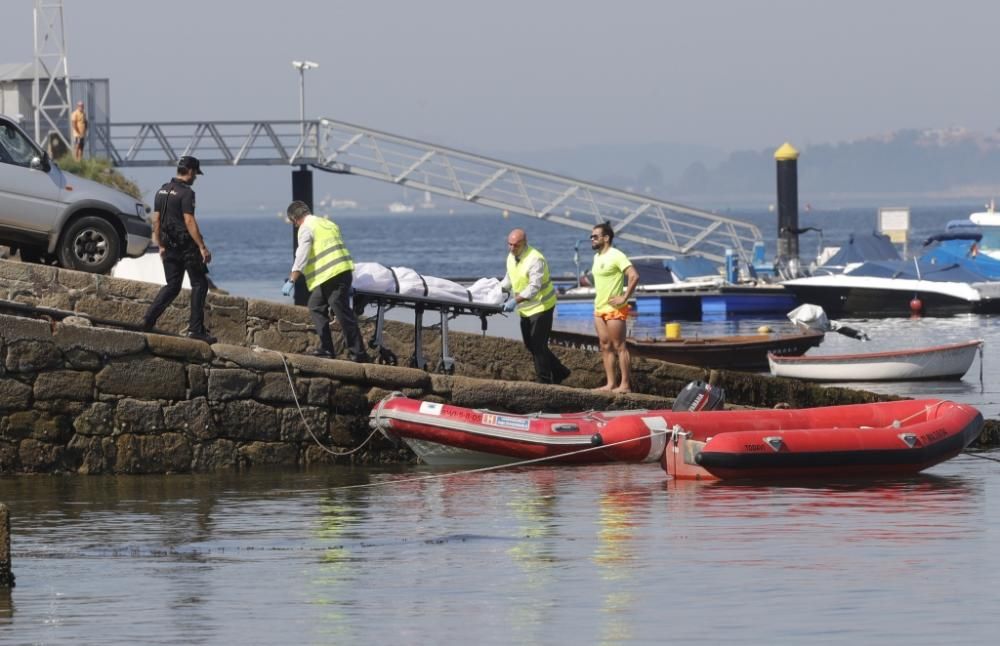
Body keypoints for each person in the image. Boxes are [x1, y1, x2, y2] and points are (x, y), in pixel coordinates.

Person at [283, 201, 370, 362]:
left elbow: (302, 255)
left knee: (342, 313)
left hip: (333, 275)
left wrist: (292, 279)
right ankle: (327, 348)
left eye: (293, 222)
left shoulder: (306, 228)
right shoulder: (327, 223)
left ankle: (358, 354)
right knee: (316, 305)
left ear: (295, 219)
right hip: (339, 273)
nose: (294, 226)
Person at [142, 156, 215, 343]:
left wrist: (160, 245)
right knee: (200, 284)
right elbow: (189, 221)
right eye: (195, 174)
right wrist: (202, 247)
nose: (195, 178)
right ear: (190, 171)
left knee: (172, 286)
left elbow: (156, 220)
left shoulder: (162, 190)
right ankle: (195, 329)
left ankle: (147, 320)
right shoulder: (186, 193)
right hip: (186, 247)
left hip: (168, 245)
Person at [500, 228, 570, 384]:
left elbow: (534, 287)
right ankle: (560, 371)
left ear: (524, 243)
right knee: (529, 344)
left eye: (515, 245)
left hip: (542, 306)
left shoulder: (535, 259)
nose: (512, 248)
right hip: (526, 308)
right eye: (509, 244)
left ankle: (544, 382)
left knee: (538, 345)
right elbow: (508, 279)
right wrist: (497, 291)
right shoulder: (511, 257)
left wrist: (514, 301)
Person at [590, 222, 639, 392]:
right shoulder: (596, 257)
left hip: (614, 309)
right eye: (591, 236)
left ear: (606, 238)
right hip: (599, 308)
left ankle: (625, 384)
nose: (592, 239)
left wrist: (625, 297)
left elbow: (634, 276)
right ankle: (610, 383)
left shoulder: (616, 255)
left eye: (595, 236)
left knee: (620, 346)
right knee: (604, 346)